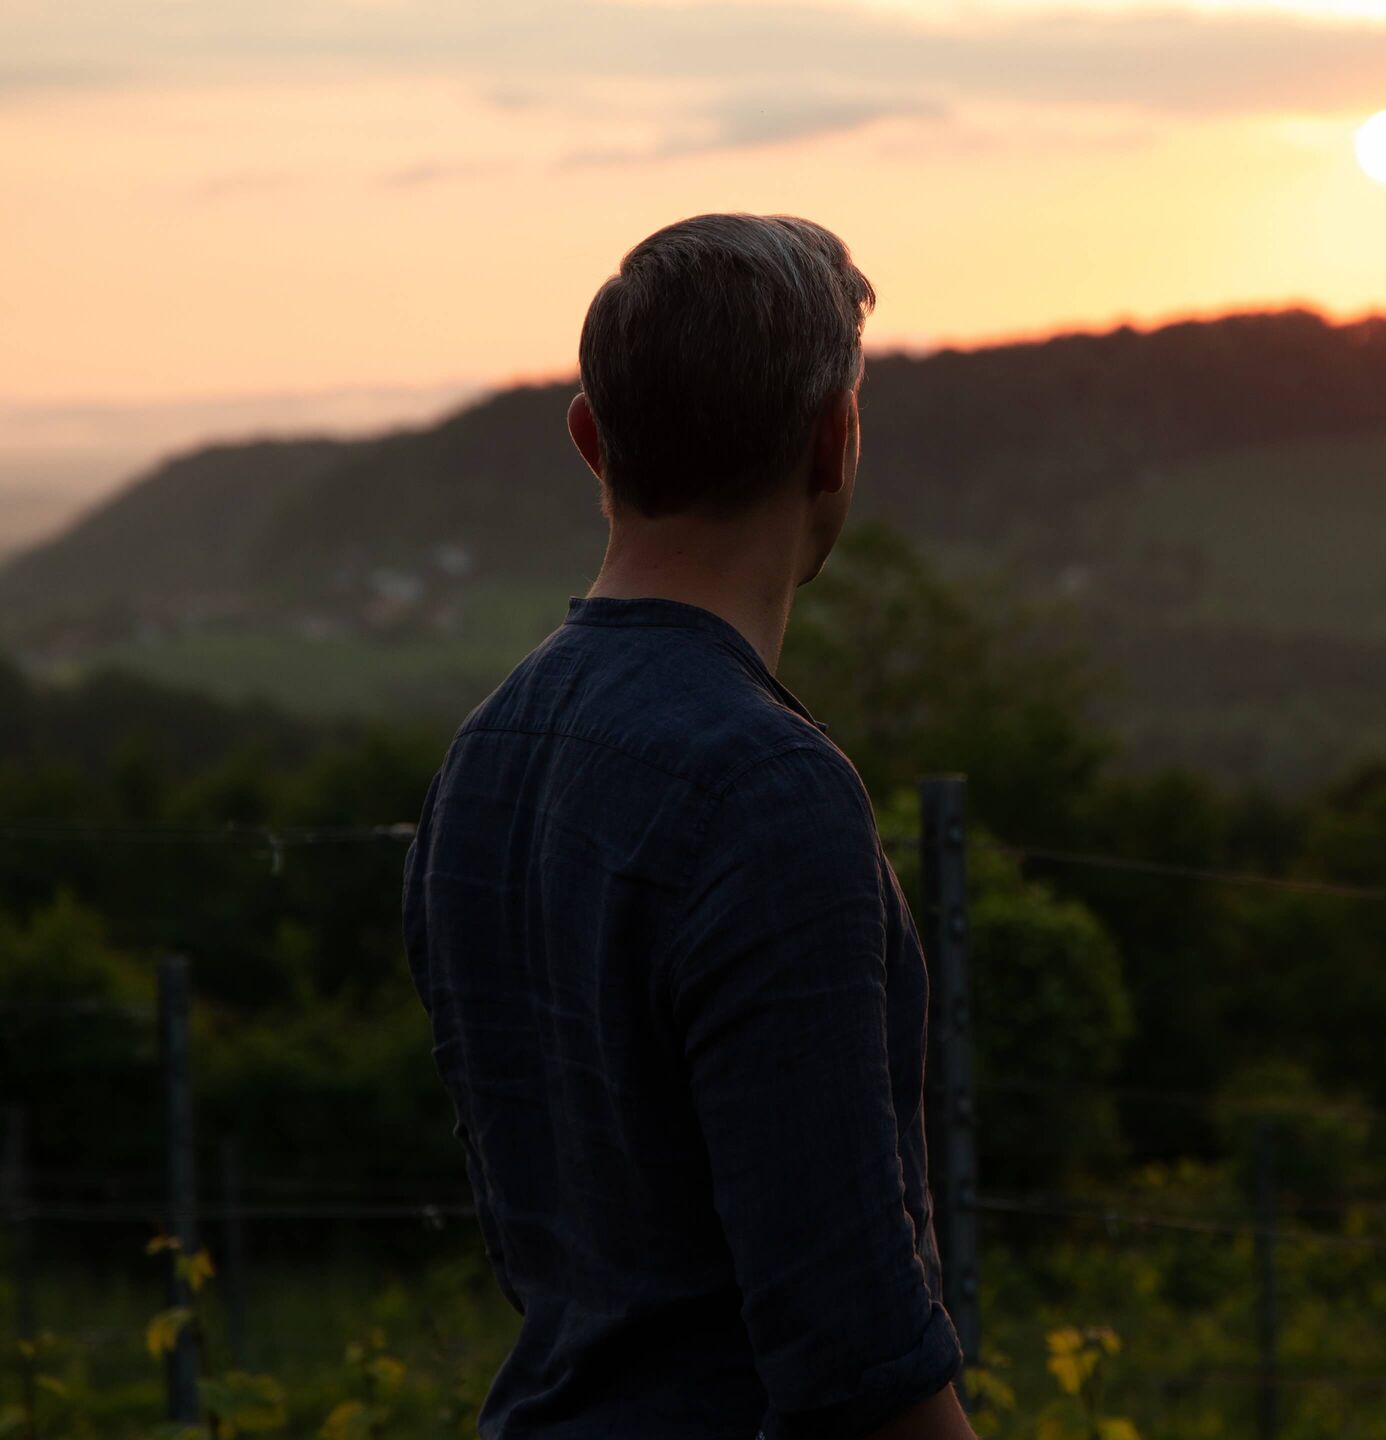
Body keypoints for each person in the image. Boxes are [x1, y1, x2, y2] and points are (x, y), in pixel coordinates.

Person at [402, 214, 974, 1440]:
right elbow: (855, 1357)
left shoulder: (484, 757)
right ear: (835, 443)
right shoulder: (769, 791)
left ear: (589, 439)